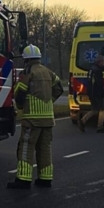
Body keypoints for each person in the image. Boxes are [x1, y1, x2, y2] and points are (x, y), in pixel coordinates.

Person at [8, 45, 64, 190]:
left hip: (32, 119)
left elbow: (20, 92)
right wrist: (49, 100)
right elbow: (59, 88)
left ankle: (23, 179)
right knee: (44, 148)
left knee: (26, 147)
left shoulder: (28, 72)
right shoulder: (48, 72)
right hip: (48, 119)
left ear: (26, 60)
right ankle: (45, 179)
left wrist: (21, 105)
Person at [78, 53, 104, 133]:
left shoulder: (91, 69)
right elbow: (99, 84)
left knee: (94, 109)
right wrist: (103, 94)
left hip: (90, 92)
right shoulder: (98, 71)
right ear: (100, 62)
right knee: (102, 109)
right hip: (97, 93)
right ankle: (100, 127)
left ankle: (83, 120)